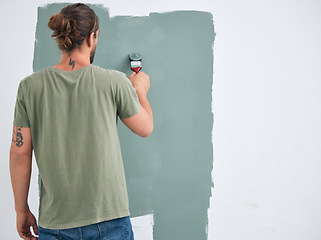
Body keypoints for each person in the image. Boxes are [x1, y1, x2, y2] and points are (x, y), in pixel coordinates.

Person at [9, 3, 153, 240]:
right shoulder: (114, 82)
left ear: (61, 37)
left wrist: (21, 210)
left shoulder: (29, 87)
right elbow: (145, 128)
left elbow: (19, 153)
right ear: (92, 37)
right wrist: (140, 91)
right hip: (110, 221)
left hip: (55, 222)